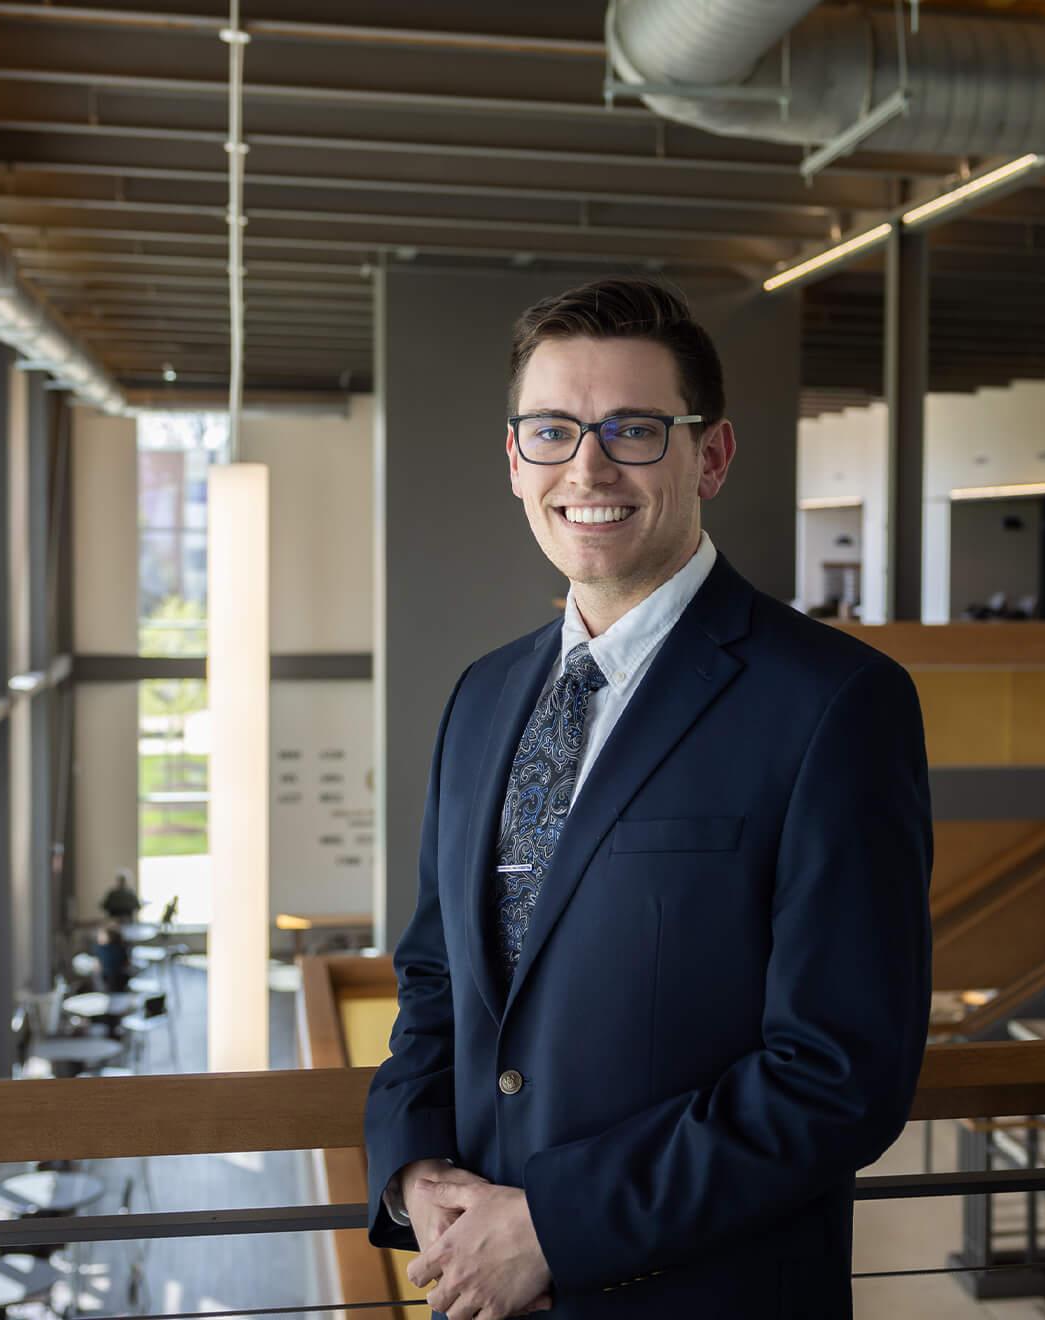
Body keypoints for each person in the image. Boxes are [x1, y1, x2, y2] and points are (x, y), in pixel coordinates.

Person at [363, 277, 933, 1320]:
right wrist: (412, 1168)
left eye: (631, 430)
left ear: (708, 456)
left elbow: (838, 1073)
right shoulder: (482, 694)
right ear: (513, 459)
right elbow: (437, 974)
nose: (585, 467)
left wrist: (558, 1226)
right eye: (550, 431)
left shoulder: (836, 704)